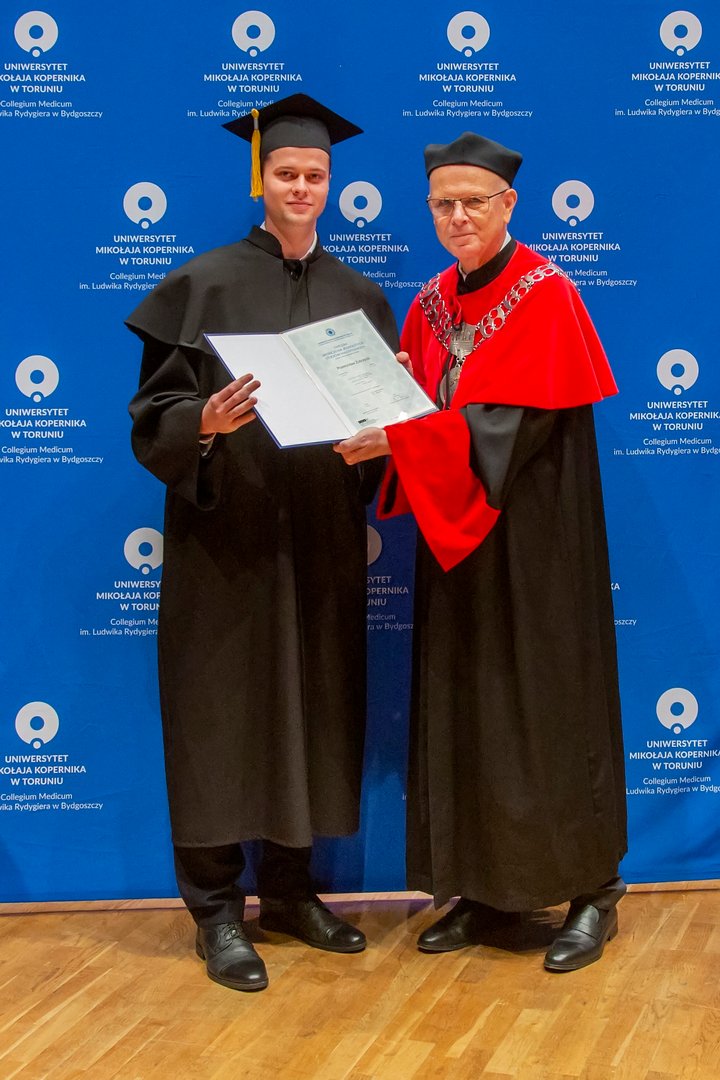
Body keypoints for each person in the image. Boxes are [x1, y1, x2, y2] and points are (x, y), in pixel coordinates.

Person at [335, 132, 627, 972]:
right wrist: (385, 408)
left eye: (474, 201)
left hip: (536, 544)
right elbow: (421, 407)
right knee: (468, 705)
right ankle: (487, 889)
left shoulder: (547, 294)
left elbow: (512, 429)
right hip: (456, 543)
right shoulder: (430, 302)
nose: (458, 216)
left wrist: (405, 436)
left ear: (509, 205)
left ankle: (592, 892)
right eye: (443, 204)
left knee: (548, 704)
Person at [126, 94, 398, 992]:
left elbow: (385, 424)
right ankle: (216, 912)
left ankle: (289, 893)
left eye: (316, 174)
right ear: (261, 178)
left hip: (320, 540)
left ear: (333, 182)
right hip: (225, 543)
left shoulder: (360, 297)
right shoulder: (201, 284)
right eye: (287, 173)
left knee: (311, 706)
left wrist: (384, 436)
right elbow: (152, 416)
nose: (302, 187)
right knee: (217, 714)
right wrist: (201, 421)